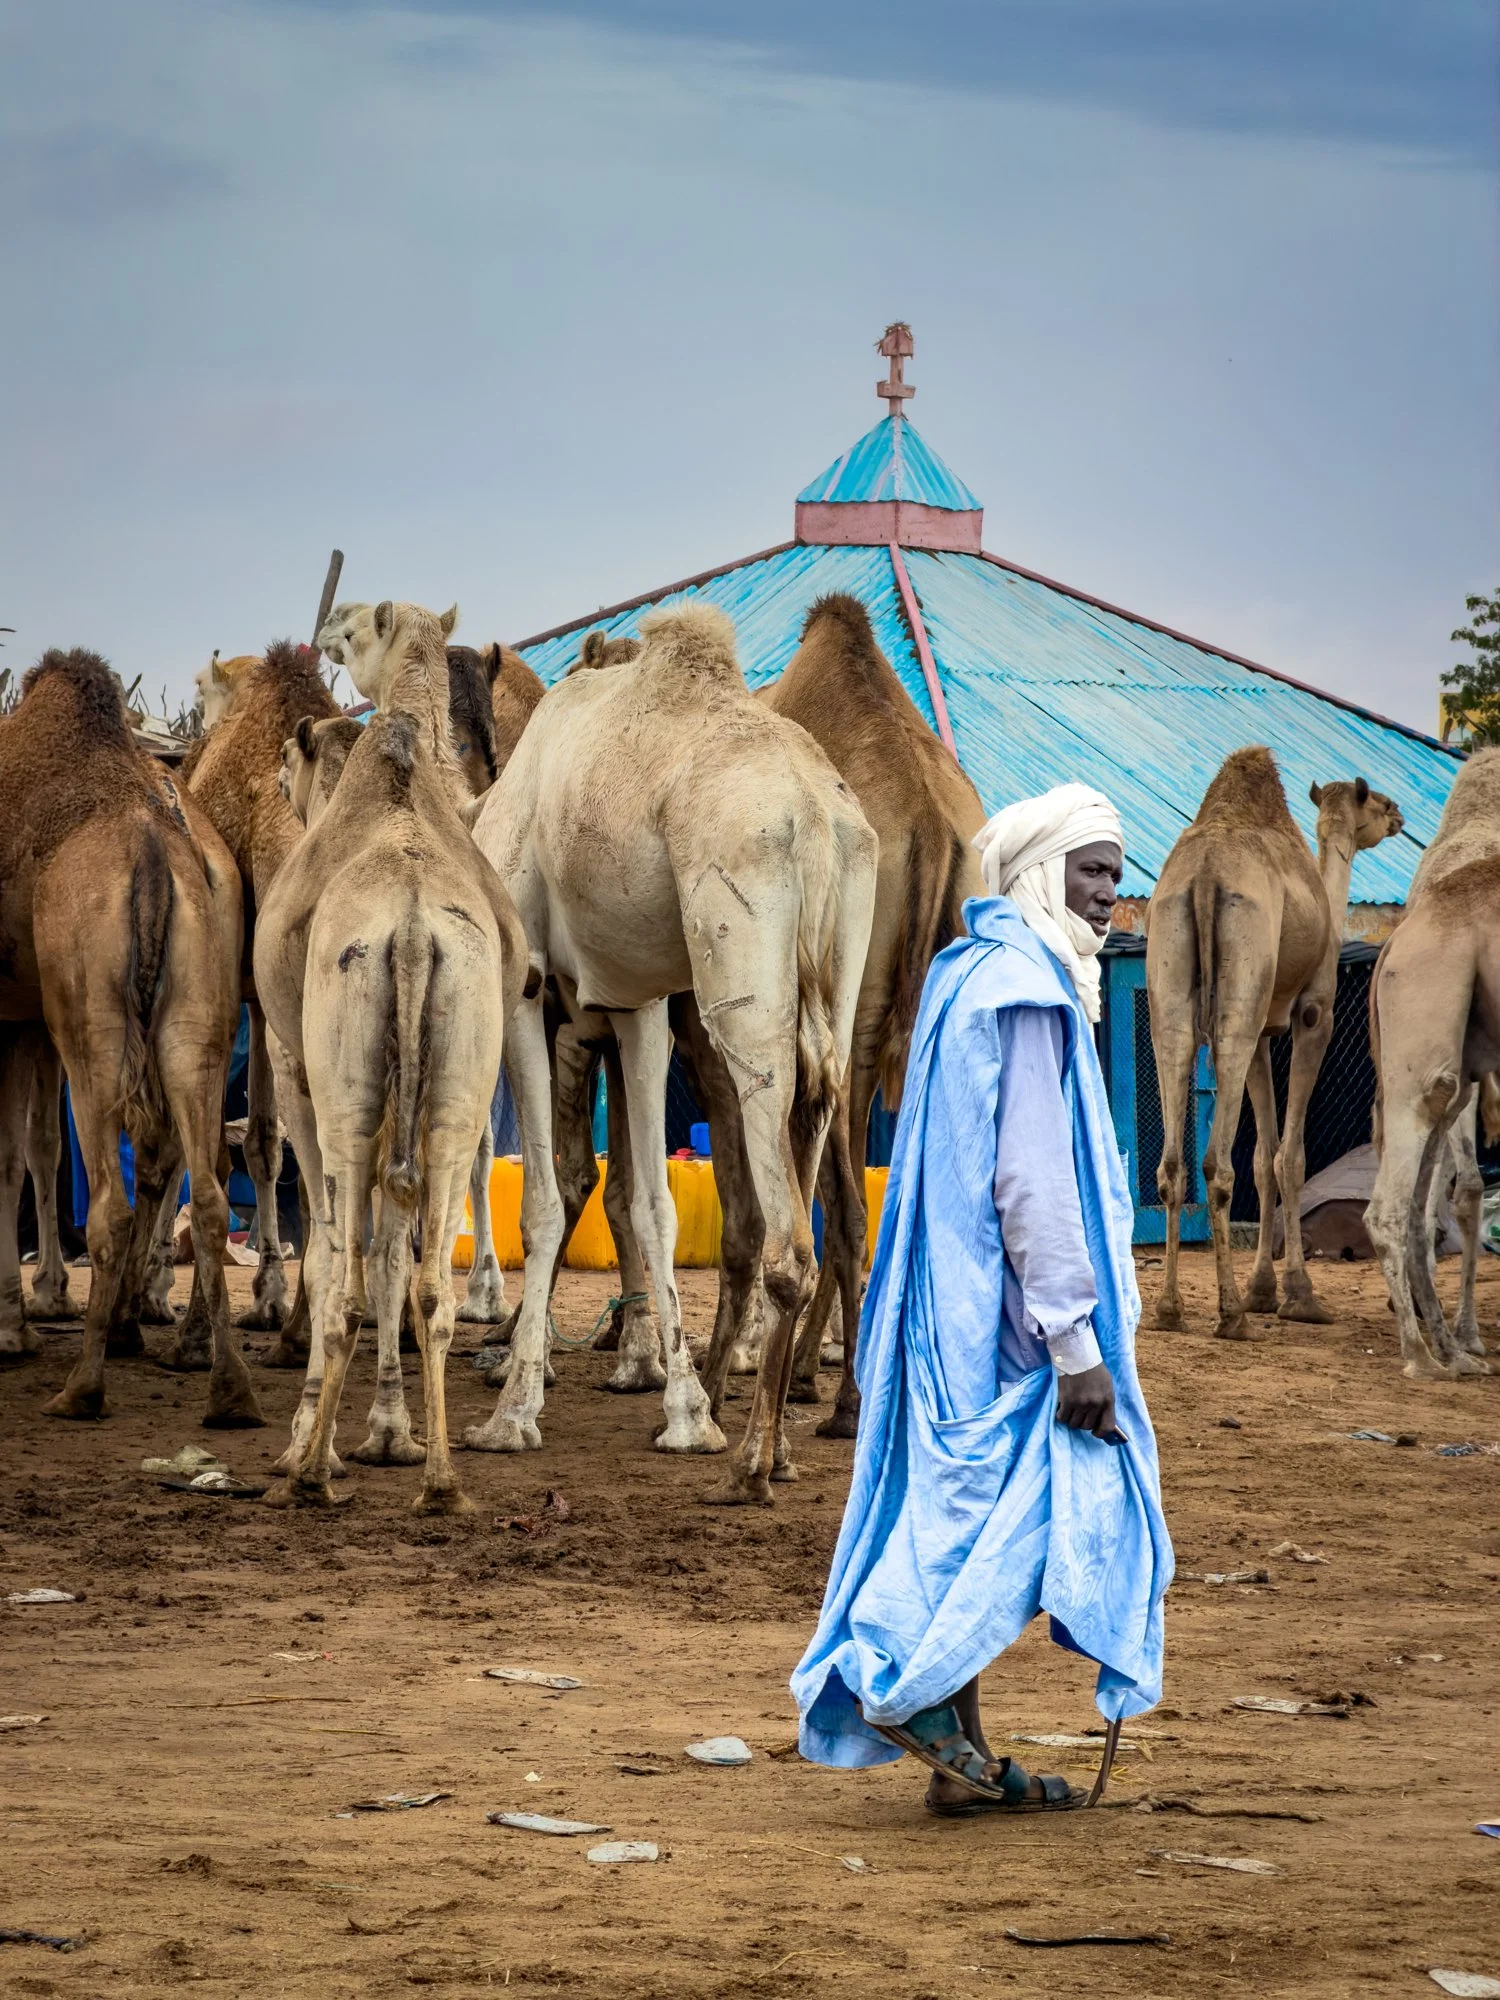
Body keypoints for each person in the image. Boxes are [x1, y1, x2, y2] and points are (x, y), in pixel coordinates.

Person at [790, 782, 1173, 1815]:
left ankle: (963, 1753)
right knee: (995, 1522)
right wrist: (1073, 1340)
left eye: (1116, 872)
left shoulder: (968, 977)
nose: (1110, 894)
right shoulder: (1026, 993)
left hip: (939, 1308)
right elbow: (1032, 1178)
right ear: (1043, 871)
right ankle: (903, 1684)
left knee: (955, 1514)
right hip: (1005, 1323)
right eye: (1092, 870)